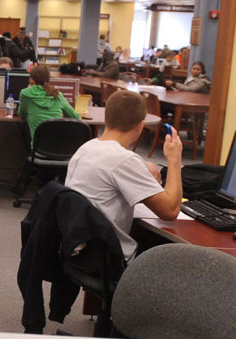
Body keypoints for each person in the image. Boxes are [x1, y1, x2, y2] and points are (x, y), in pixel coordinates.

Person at [64, 90, 184, 260]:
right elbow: (170, 211)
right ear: (140, 126)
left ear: (107, 118)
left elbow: (112, 169)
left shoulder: (86, 148)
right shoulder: (124, 160)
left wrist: (142, 167)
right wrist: (174, 159)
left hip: (81, 248)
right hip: (109, 257)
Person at [17, 63, 80, 138]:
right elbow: (75, 117)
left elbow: (22, 115)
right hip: (59, 146)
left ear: (31, 79)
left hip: (38, 146)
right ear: (48, 79)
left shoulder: (25, 93)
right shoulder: (57, 94)